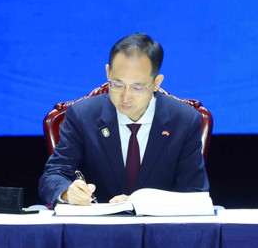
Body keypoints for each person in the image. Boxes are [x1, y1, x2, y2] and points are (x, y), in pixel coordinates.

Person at [39, 33, 209, 205]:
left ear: (157, 82)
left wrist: (145, 203)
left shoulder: (184, 120)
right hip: (97, 228)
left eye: (138, 87)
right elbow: (53, 175)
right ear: (107, 72)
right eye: (118, 84)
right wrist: (68, 193)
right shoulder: (83, 115)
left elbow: (194, 191)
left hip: (160, 229)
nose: (126, 97)